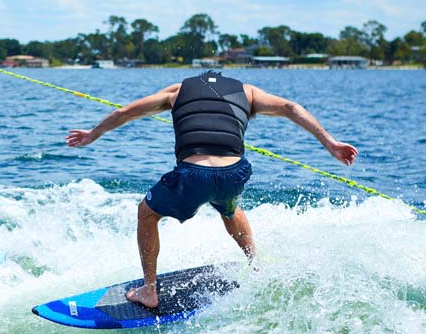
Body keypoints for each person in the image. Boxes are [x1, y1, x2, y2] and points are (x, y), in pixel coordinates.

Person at [67, 71, 358, 311]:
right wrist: (330, 144)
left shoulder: (177, 91)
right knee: (229, 207)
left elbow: (125, 112)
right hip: (235, 173)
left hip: (193, 175)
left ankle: (150, 291)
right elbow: (291, 108)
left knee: (147, 212)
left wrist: (93, 134)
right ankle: (256, 266)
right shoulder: (248, 92)